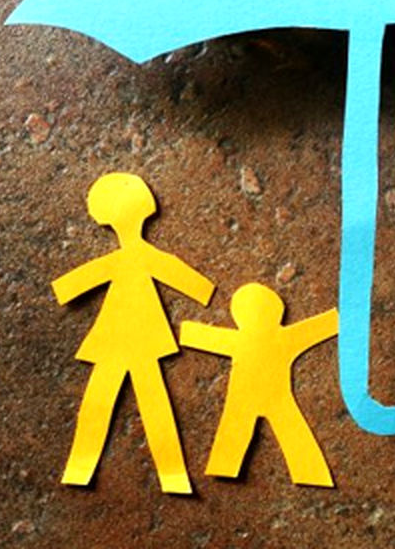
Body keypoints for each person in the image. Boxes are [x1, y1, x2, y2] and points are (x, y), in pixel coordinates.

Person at [51, 172, 215, 494]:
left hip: (118, 338)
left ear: (105, 219)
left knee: (102, 400)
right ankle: (172, 476)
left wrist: (66, 287)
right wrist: (203, 291)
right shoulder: (148, 258)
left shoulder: (122, 260)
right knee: (151, 403)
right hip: (140, 338)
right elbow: (198, 286)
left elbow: (69, 286)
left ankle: (81, 470)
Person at [180, 283, 338, 487]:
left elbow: (195, 335)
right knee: (293, 434)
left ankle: (225, 467)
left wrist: (183, 331)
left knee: (235, 432)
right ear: (278, 311)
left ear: (237, 316)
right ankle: (311, 474)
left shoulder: (240, 339)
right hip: (276, 397)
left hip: (248, 398)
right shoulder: (285, 337)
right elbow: (323, 325)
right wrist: (338, 318)